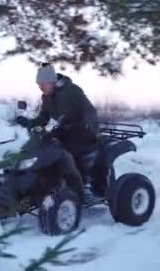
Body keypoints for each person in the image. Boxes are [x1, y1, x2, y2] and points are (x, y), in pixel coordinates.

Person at [15, 63, 100, 203]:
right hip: (63, 130)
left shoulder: (72, 91)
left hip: (82, 131)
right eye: (38, 84)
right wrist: (29, 123)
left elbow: (90, 110)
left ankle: (85, 188)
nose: (40, 87)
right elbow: (43, 118)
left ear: (52, 81)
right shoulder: (46, 97)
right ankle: (42, 184)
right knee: (46, 149)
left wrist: (90, 127)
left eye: (43, 84)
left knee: (72, 152)